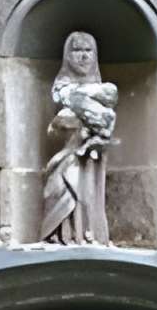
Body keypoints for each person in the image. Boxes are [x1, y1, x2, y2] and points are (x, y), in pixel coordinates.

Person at [40, 31, 117, 244]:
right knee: (58, 189)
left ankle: (87, 233)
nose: (83, 56)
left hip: (91, 160)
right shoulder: (62, 88)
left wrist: (82, 95)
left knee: (89, 195)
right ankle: (61, 234)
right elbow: (65, 100)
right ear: (67, 55)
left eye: (87, 50)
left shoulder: (104, 89)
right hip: (67, 155)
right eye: (77, 50)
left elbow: (110, 99)